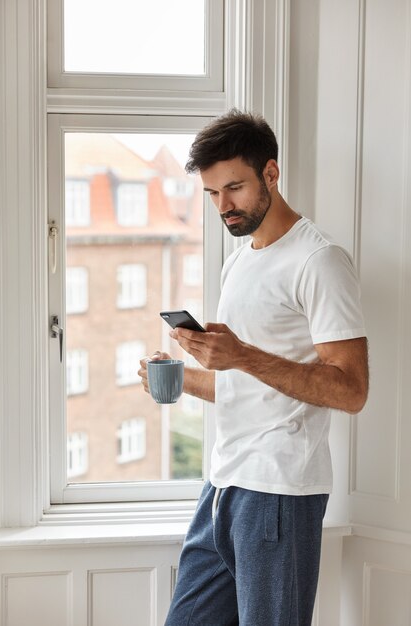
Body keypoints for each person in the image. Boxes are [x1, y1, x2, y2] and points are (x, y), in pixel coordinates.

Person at [138, 109, 369, 626]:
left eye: (235, 188)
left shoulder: (320, 260)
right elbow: (249, 388)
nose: (224, 206)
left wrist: (240, 355)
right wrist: (179, 378)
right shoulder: (240, 259)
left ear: (271, 173)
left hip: (279, 489)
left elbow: (352, 390)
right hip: (222, 484)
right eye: (212, 194)